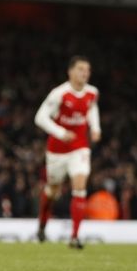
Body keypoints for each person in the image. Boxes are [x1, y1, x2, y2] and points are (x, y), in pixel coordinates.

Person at [34, 55, 100, 249]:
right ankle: (42, 225)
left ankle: (74, 237)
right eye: (80, 69)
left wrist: (96, 128)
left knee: (79, 186)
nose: (84, 73)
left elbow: (92, 109)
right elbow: (40, 118)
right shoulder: (59, 94)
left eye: (87, 70)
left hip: (80, 147)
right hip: (57, 151)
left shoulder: (92, 92)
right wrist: (61, 133)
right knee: (52, 191)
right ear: (70, 72)